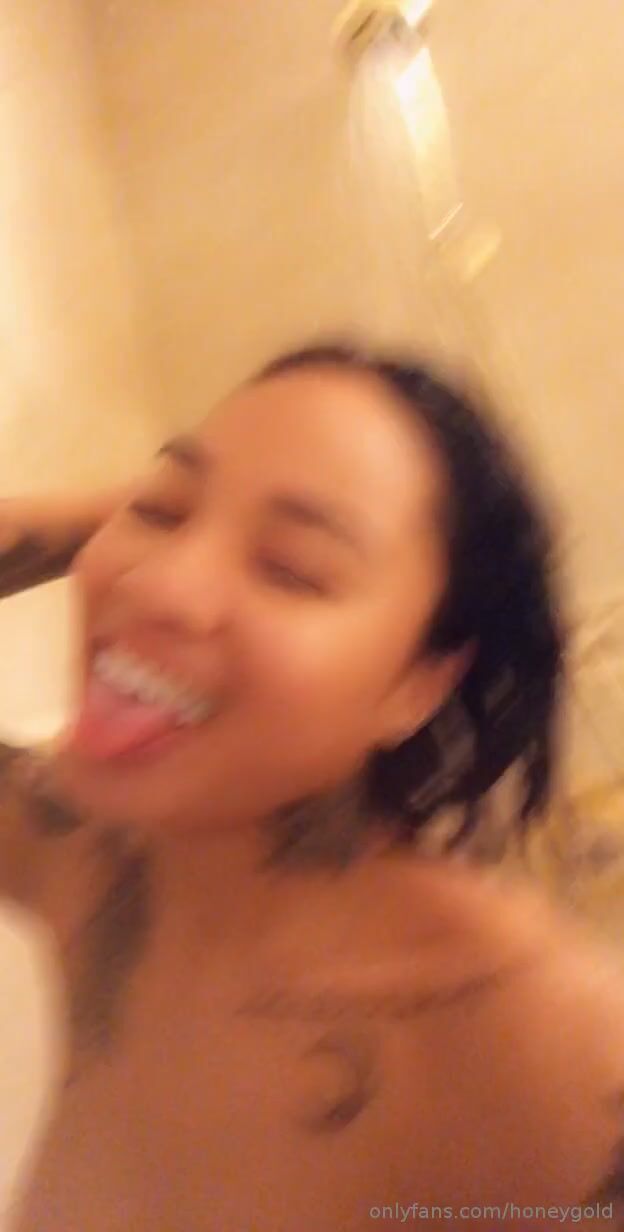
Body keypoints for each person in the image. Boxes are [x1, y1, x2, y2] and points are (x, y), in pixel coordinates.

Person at [1, 342, 623, 1232]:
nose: (163, 583)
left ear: (419, 685)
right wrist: (139, 517)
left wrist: (188, 505)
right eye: (163, 511)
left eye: (292, 567)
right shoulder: (89, 859)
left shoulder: (539, 1049)